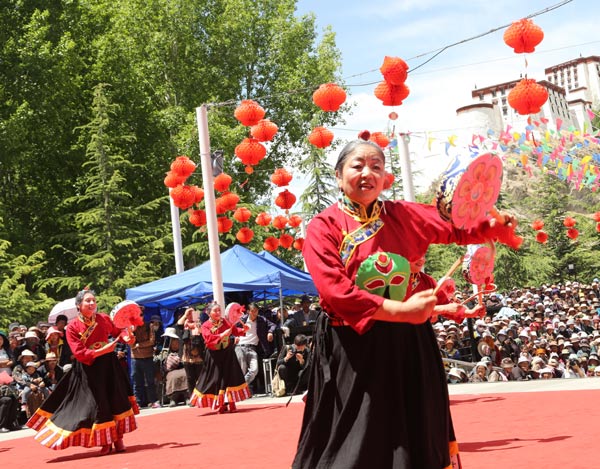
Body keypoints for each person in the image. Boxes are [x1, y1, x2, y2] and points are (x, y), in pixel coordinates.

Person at [292, 138, 519, 469]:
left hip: (409, 343)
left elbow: (459, 228)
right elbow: (334, 291)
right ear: (339, 176)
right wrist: (401, 311)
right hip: (353, 346)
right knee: (354, 440)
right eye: (357, 166)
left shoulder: (403, 214)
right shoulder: (324, 226)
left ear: (385, 178)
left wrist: (494, 227)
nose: (367, 173)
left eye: (377, 167)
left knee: (415, 437)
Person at [26, 289, 139, 455]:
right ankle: (106, 441)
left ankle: (118, 439)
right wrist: (103, 349)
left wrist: (127, 336)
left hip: (109, 365)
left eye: (94, 300)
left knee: (115, 399)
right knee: (100, 404)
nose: (92, 303)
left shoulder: (103, 318)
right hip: (89, 369)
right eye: (88, 301)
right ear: (79, 305)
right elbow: (79, 354)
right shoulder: (72, 327)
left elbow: (117, 333)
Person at [189, 302, 251, 413]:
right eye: (215, 311)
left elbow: (235, 331)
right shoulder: (205, 326)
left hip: (227, 353)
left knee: (230, 377)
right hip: (214, 356)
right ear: (209, 313)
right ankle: (221, 403)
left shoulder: (225, 321)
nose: (218, 313)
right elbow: (208, 339)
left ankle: (231, 402)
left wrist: (244, 330)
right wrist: (222, 335)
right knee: (216, 379)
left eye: (219, 310)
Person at [235, 302, 277, 393]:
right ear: (248, 312)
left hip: (253, 348)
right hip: (240, 347)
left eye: (256, 311)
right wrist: (235, 337)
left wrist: (270, 332)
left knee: (254, 370)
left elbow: (273, 325)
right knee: (242, 370)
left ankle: (239, 387)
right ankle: (241, 390)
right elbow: (233, 330)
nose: (255, 313)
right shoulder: (242, 320)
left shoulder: (261, 319)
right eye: (253, 311)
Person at [130, 315, 161, 408]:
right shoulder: (130, 327)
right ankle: (138, 403)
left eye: (140, 315)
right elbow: (131, 345)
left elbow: (151, 341)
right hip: (135, 357)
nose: (139, 317)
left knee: (150, 380)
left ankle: (153, 401)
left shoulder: (149, 326)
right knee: (137, 381)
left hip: (148, 356)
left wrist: (139, 345)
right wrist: (132, 331)